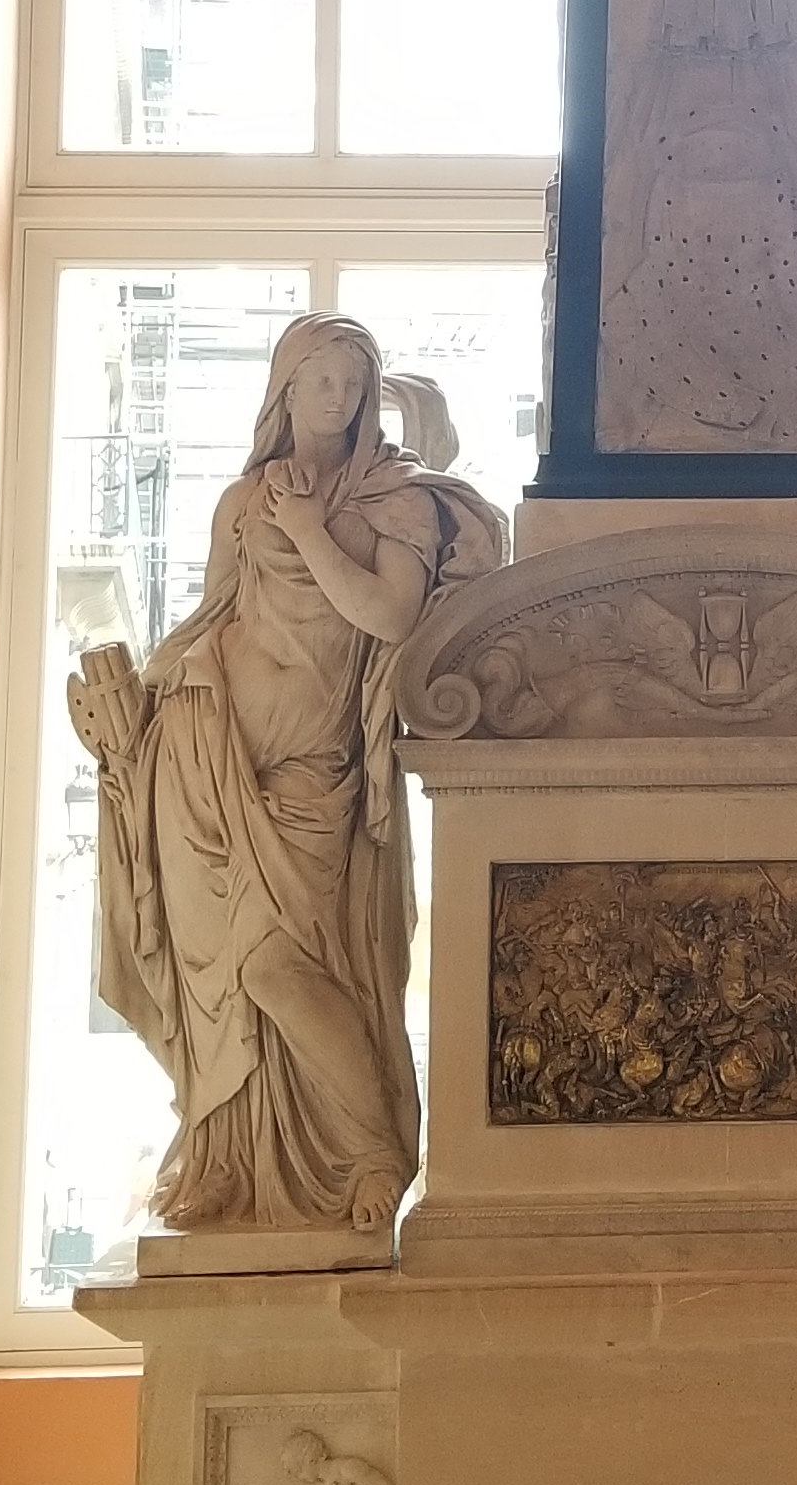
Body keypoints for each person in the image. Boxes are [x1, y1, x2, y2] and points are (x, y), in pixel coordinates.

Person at [69, 313, 501, 1233]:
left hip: (311, 771)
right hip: (200, 744)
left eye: (353, 381)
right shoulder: (243, 499)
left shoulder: (397, 500)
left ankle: (374, 1151)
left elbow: (388, 616)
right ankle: (227, 1159)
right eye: (320, 380)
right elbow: (209, 616)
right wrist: (133, 717)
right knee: (222, 981)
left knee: (280, 969)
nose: (337, 398)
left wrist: (307, 530)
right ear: (286, 390)